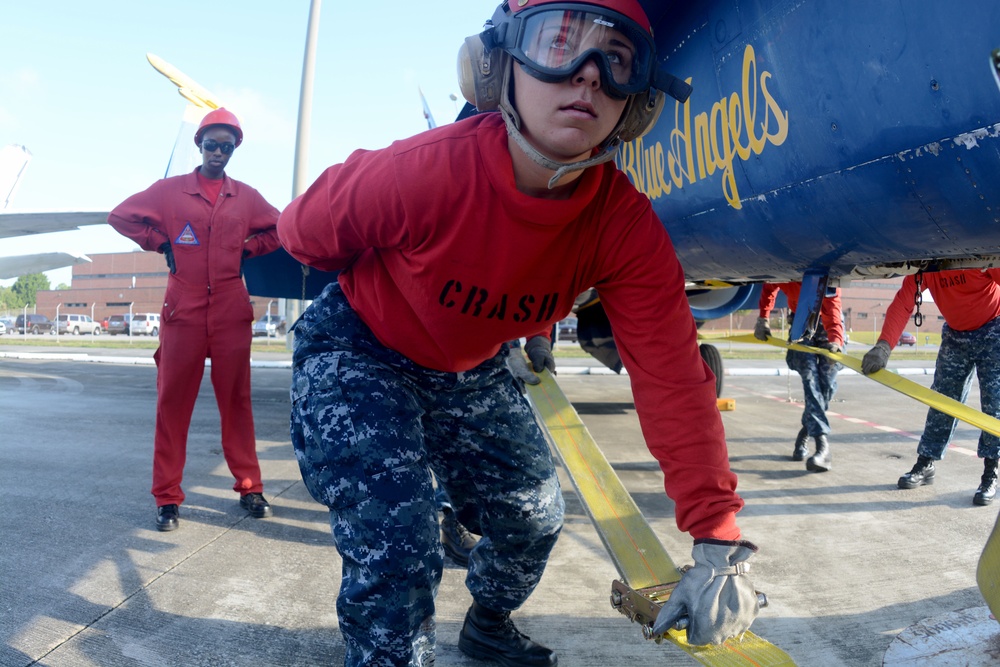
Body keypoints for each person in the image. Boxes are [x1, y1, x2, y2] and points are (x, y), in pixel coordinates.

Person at [277, 1, 761, 664]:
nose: (588, 76)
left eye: (617, 61)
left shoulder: (623, 228)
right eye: (561, 43)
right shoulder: (425, 170)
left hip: (468, 367)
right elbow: (304, 231)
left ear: (637, 103)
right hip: (363, 346)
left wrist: (716, 536)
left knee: (535, 516)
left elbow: (673, 380)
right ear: (497, 66)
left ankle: (488, 623)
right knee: (399, 530)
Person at [108, 108, 281, 531]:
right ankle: (167, 498)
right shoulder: (170, 193)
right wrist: (159, 241)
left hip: (230, 310)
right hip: (182, 311)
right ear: (198, 145)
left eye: (227, 146)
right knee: (172, 405)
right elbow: (120, 216)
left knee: (237, 402)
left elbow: (281, 228)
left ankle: (250, 486)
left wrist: (248, 251)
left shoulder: (247, 197)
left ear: (234, 149)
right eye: (211, 144)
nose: (218, 152)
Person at [862, 269, 1000, 506]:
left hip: (994, 329)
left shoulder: (975, 252)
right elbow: (904, 302)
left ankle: (991, 471)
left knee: (995, 404)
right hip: (956, 336)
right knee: (941, 402)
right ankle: (926, 463)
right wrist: (884, 345)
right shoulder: (929, 263)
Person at [755, 282, 844, 472]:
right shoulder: (784, 267)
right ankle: (822, 448)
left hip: (828, 319)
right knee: (810, 381)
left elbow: (833, 305)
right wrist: (763, 318)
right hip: (800, 323)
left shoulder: (823, 272)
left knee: (826, 387)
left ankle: (805, 432)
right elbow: (769, 286)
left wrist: (836, 339)